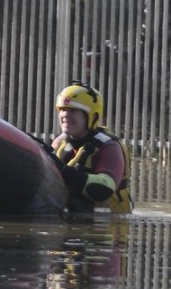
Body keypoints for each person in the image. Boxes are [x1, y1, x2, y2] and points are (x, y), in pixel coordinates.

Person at [49, 82, 133, 213]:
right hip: (74, 218)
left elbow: (103, 189)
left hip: (108, 226)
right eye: (63, 110)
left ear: (92, 116)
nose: (65, 115)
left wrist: (64, 171)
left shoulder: (110, 148)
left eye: (73, 110)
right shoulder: (61, 143)